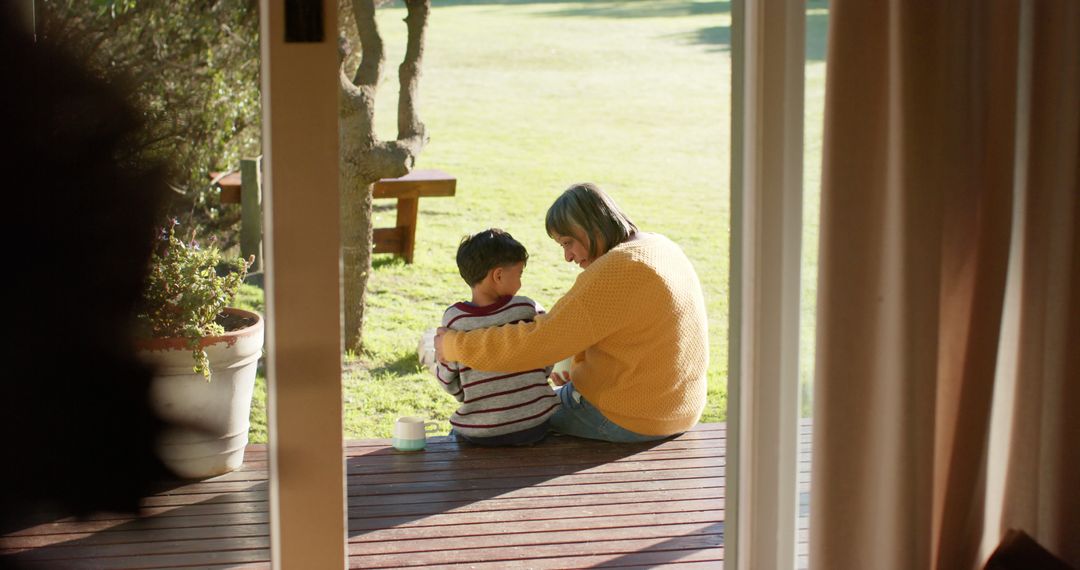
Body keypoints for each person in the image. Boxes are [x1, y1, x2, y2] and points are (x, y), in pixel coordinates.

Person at [435, 183, 708, 443]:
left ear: (589, 226)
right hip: (679, 407)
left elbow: (539, 342)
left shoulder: (618, 269)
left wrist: (453, 345)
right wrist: (573, 363)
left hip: (629, 418)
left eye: (567, 242)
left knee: (501, 423)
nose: (568, 256)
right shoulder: (659, 246)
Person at [435, 229, 559, 446]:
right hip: (535, 424)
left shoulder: (455, 320)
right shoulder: (527, 308)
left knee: (452, 440)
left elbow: (448, 379)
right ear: (498, 275)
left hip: (481, 432)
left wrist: (477, 396)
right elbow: (547, 354)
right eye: (519, 274)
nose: (520, 282)